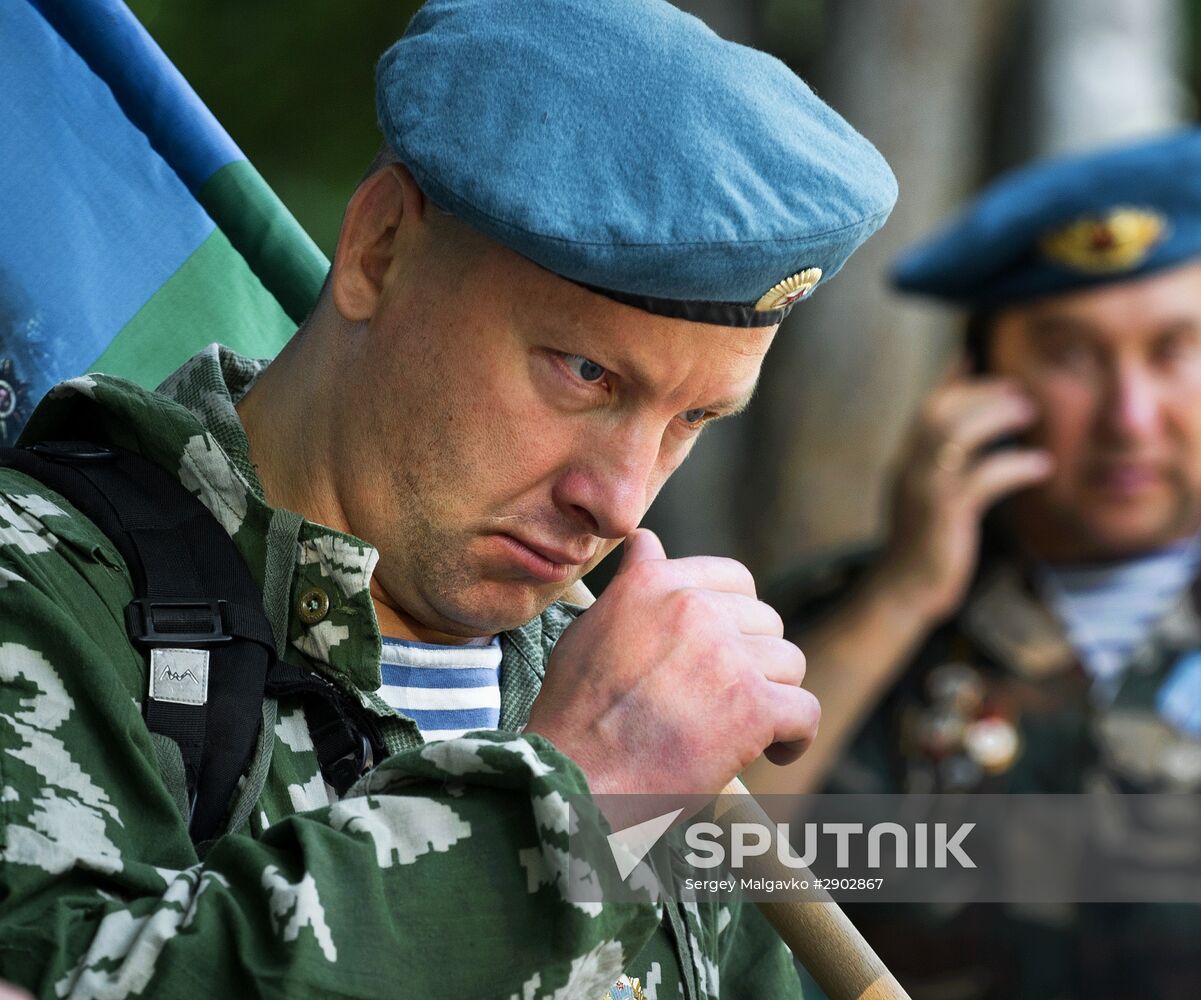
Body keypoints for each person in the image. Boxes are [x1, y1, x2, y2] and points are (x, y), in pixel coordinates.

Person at [0, 1, 897, 997]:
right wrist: (563, 815)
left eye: (695, 418)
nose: (621, 501)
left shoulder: (618, 688)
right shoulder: (42, 593)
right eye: (587, 372)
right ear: (380, 248)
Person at [746, 128, 1201, 999]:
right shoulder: (830, 627)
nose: (1131, 416)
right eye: (1071, 354)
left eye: (1172, 350)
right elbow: (684, 866)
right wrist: (901, 600)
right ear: (977, 382)